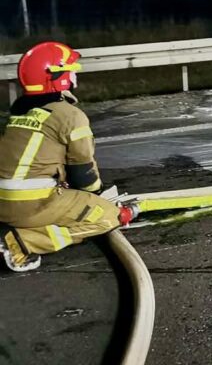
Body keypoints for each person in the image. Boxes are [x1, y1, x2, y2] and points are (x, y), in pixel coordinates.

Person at [0, 42, 137, 272]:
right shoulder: (70, 116)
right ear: (57, 77)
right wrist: (101, 201)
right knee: (108, 217)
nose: (74, 76)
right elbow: (83, 173)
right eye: (70, 70)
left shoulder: (17, 113)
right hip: (30, 205)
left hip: (3, 203)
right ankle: (19, 245)